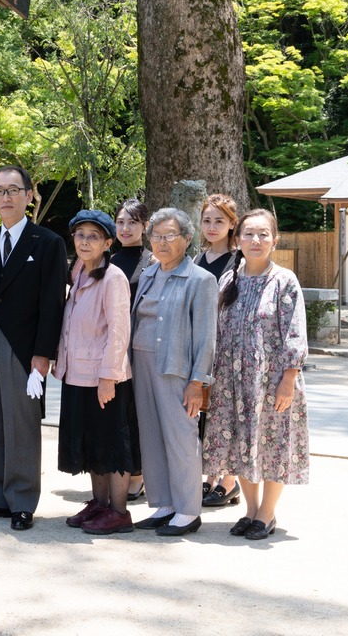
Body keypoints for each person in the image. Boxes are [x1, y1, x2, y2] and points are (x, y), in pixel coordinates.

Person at [0, 166, 66, 531]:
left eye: (13, 190)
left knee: (21, 422)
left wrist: (43, 353)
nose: (6, 197)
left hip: (25, 347)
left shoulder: (48, 243)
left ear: (28, 195)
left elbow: (53, 302)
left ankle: (22, 500)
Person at [203, 209, 309, 541]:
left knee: (273, 445)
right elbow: (216, 332)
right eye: (249, 233)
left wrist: (288, 380)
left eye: (263, 234)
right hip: (232, 381)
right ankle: (249, 510)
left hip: (272, 381)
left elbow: (295, 333)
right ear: (238, 239)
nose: (256, 240)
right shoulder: (228, 279)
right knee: (240, 445)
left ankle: (267, 514)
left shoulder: (284, 280)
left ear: (274, 240)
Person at [130, 208, 217, 536]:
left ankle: (187, 510)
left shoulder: (201, 280)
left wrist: (198, 382)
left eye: (169, 235)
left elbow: (207, 337)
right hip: (142, 363)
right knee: (151, 435)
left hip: (177, 369)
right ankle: (164, 503)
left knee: (181, 437)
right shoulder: (150, 273)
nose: (161, 242)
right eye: (156, 235)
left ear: (187, 238)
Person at [55, 210, 135, 535]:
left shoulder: (113, 277)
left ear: (107, 243)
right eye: (80, 235)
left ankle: (119, 512)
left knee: (111, 443)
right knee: (91, 443)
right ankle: (99, 504)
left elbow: (119, 330)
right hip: (77, 374)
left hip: (104, 377)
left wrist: (108, 377)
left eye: (93, 236)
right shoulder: (78, 274)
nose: (85, 241)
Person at [194, 193, 241, 508]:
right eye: (207, 220)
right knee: (204, 416)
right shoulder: (196, 259)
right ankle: (210, 476)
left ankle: (228, 480)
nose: (212, 227)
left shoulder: (239, 260)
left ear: (231, 224)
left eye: (219, 221)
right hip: (201, 347)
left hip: (228, 349)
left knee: (226, 415)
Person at [112, 198, 153, 501]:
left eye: (133, 223)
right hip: (111, 348)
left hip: (139, 347)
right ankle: (119, 470)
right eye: (121, 222)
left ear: (145, 226)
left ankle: (138, 474)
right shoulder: (107, 258)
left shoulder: (152, 261)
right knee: (116, 412)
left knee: (136, 413)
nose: (126, 228)